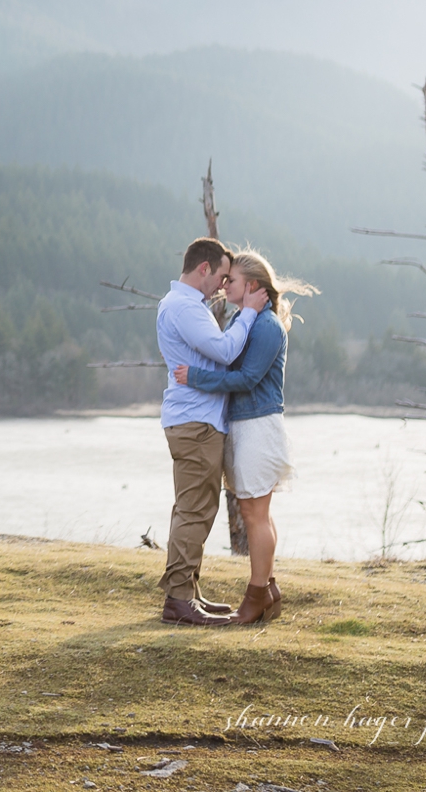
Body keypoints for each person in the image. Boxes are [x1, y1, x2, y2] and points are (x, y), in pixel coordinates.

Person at [173, 247, 316, 625]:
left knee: (255, 513)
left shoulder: (266, 326)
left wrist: (197, 377)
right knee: (255, 511)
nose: (224, 285)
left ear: (251, 285)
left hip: (258, 426)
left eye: (231, 280)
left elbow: (247, 378)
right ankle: (267, 590)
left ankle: (257, 595)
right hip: (245, 425)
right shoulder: (246, 319)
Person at [154, 237, 266, 625]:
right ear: (204, 268)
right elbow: (225, 351)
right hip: (196, 424)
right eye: (220, 275)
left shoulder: (183, 306)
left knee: (197, 508)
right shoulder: (185, 308)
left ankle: (188, 593)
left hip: (194, 421)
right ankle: (179, 601)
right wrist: (249, 312)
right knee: (194, 510)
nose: (222, 284)